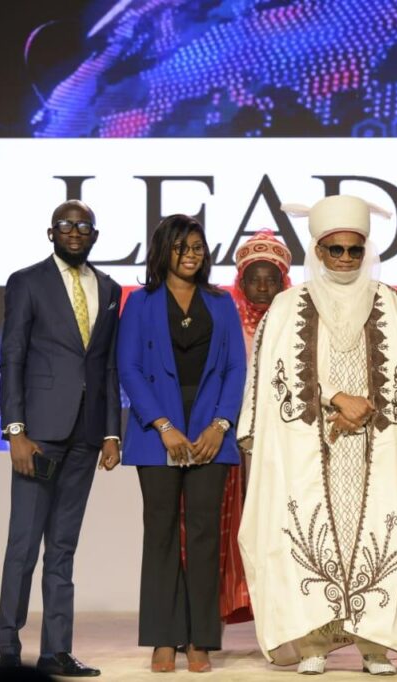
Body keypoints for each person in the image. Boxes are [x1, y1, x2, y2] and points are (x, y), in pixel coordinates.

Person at [237, 195, 397, 675]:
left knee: (383, 534)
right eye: (335, 249)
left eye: (354, 249)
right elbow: (277, 379)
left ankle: (375, 645)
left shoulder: (395, 305)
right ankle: (313, 644)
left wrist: (363, 407)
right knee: (306, 535)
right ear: (318, 251)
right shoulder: (287, 306)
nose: (345, 258)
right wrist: (336, 399)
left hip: (378, 444)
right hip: (309, 444)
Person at [0, 199, 122, 677]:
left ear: (95, 235)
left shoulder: (108, 288)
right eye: (66, 224)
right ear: (51, 233)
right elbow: (13, 357)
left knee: (63, 548)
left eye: (83, 226)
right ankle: (9, 651)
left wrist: (111, 432)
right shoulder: (27, 282)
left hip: (86, 436)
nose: (74, 231)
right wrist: (15, 430)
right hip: (39, 437)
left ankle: (56, 652)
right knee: (24, 546)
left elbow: (106, 365)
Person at [117, 214, 246, 673]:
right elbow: (129, 368)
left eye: (197, 247)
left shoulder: (222, 302)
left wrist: (220, 425)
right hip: (158, 435)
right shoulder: (140, 303)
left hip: (211, 433)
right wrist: (164, 426)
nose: (191, 254)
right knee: (161, 533)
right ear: (163, 251)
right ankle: (162, 638)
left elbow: (236, 368)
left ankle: (200, 640)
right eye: (181, 247)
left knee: (206, 536)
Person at [216, 229, 292, 625]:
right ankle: (235, 600)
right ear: (240, 282)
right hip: (234, 440)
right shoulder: (225, 323)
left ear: (284, 282)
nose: (262, 287)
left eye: (271, 278)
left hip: (284, 442)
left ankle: (285, 614)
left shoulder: (296, 323)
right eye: (253, 278)